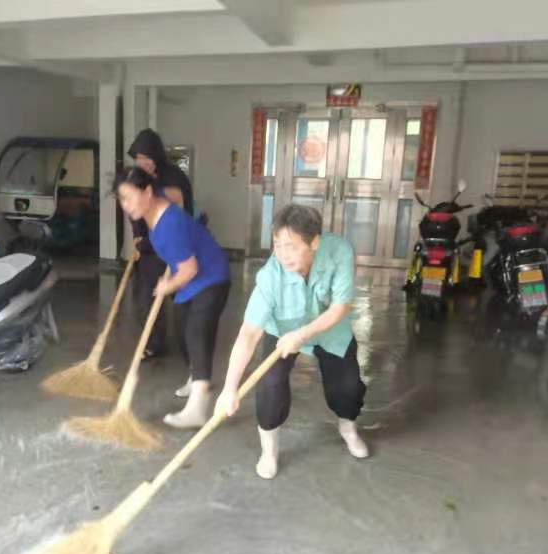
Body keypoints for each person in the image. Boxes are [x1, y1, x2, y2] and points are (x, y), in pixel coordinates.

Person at [214, 204, 369, 480]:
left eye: (291, 246)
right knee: (270, 384)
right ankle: (269, 450)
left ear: (315, 242)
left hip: (329, 328)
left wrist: (302, 335)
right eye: (277, 245)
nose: (283, 255)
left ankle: (348, 427)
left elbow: (339, 308)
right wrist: (229, 388)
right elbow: (248, 334)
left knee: (347, 387)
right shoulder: (270, 277)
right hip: (283, 329)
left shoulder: (339, 252)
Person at [115, 167, 230, 429]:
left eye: (128, 197)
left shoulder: (168, 224)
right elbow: (175, 197)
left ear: (146, 192)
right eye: (121, 199)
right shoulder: (156, 210)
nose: (125, 205)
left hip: (211, 276)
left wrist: (167, 286)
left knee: (195, 333)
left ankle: (198, 406)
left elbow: (190, 268)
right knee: (183, 331)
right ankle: (196, 376)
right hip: (192, 279)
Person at [127, 128, 195, 362]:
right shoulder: (137, 178)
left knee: (183, 299)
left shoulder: (175, 178)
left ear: (156, 156)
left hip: (176, 243)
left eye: (146, 158)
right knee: (147, 295)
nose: (141, 163)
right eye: (138, 159)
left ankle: (190, 347)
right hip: (150, 247)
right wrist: (137, 236)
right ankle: (154, 343)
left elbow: (177, 213)